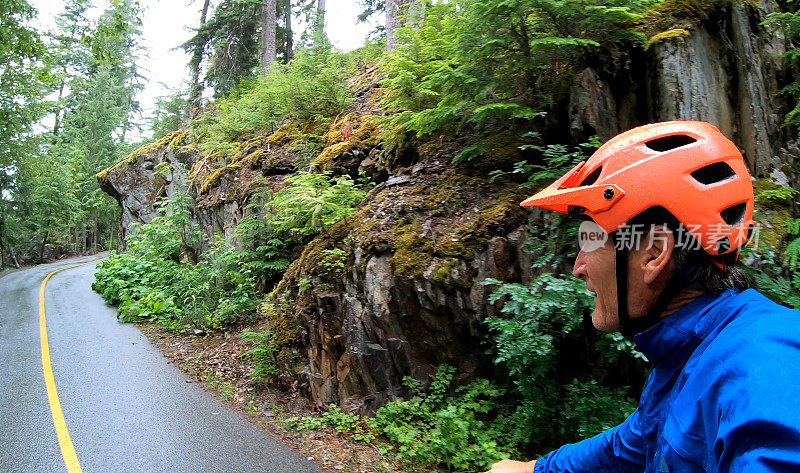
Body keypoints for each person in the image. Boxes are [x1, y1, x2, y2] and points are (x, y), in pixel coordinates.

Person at [485, 121, 800, 473]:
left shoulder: (762, 362)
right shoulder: (686, 354)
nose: (579, 267)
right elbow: (630, 446)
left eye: (590, 239)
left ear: (653, 253)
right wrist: (534, 470)